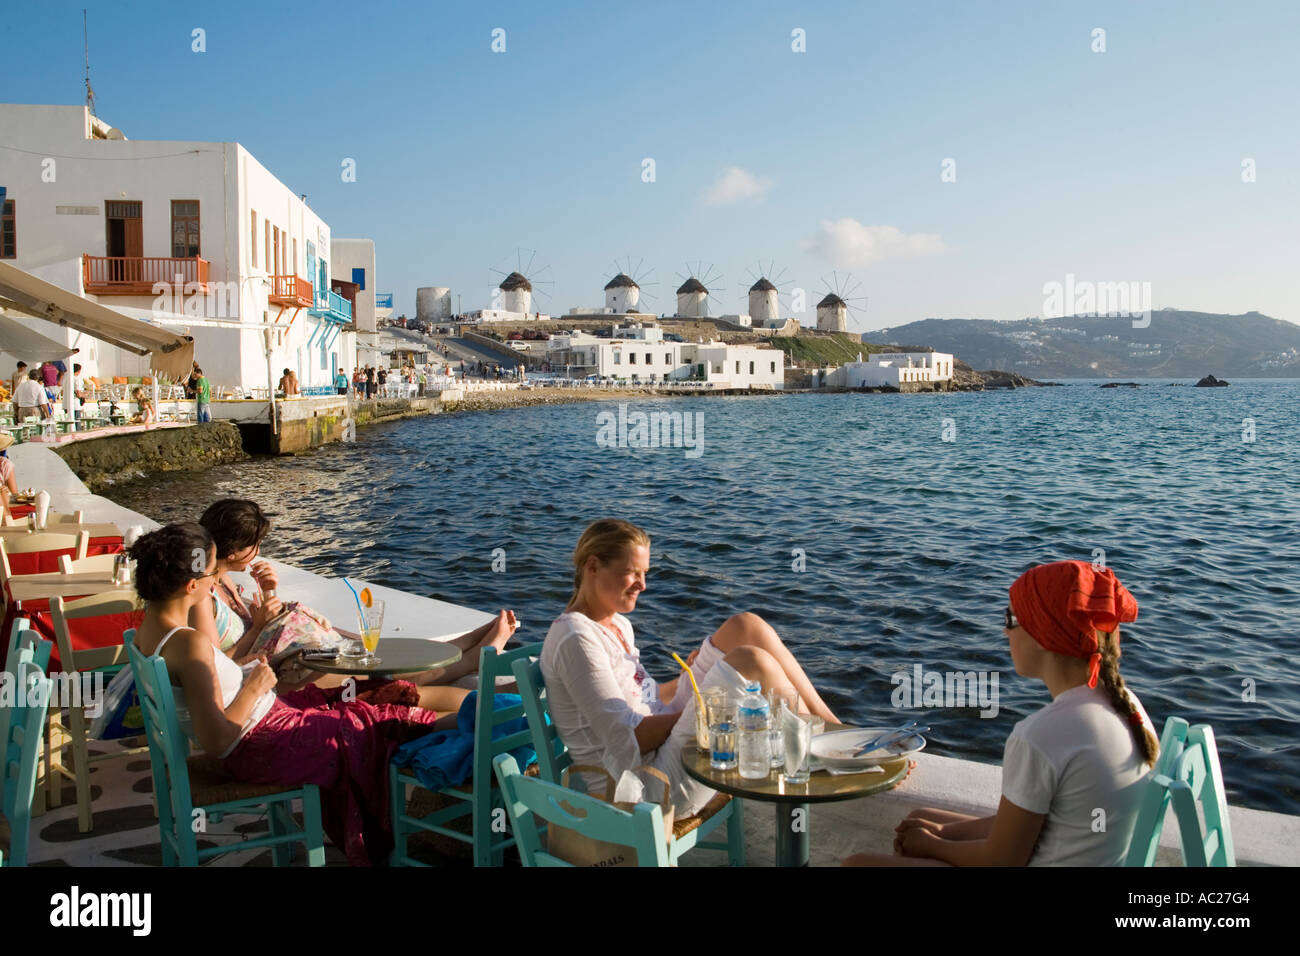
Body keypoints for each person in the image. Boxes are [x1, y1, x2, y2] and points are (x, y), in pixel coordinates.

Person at [128, 522, 448, 866]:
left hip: (268, 724)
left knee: (369, 696)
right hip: (260, 745)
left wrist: (246, 675)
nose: (215, 583)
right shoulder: (188, 644)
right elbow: (217, 740)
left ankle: (479, 717)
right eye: (212, 575)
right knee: (377, 724)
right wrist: (252, 689)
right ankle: (484, 728)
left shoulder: (145, 633)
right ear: (192, 585)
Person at [843, 560, 1158, 867]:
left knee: (857, 864)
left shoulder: (1041, 735)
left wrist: (932, 845)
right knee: (918, 820)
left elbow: (1000, 860)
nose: (1005, 632)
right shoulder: (1126, 705)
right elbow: (1034, 827)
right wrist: (937, 834)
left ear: (1042, 633)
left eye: (1010, 618)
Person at [541, 518, 840, 817]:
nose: (643, 585)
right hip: (644, 785)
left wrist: (685, 683)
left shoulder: (617, 623)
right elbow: (630, 739)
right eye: (632, 573)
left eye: (644, 573)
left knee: (745, 627)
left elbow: (639, 696)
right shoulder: (575, 639)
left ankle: (829, 724)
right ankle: (822, 749)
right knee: (750, 661)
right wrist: (707, 705)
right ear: (593, 567)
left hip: (661, 743)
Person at [193, 498, 519, 715]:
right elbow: (217, 664)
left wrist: (268, 592)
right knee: (381, 677)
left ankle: (465, 644)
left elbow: (258, 628)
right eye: (256, 545)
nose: (259, 551)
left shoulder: (225, 583)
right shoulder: (204, 600)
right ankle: (472, 660)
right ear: (235, 551)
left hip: (293, 655)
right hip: (282, 675)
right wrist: (263, 625)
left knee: (374, 656)